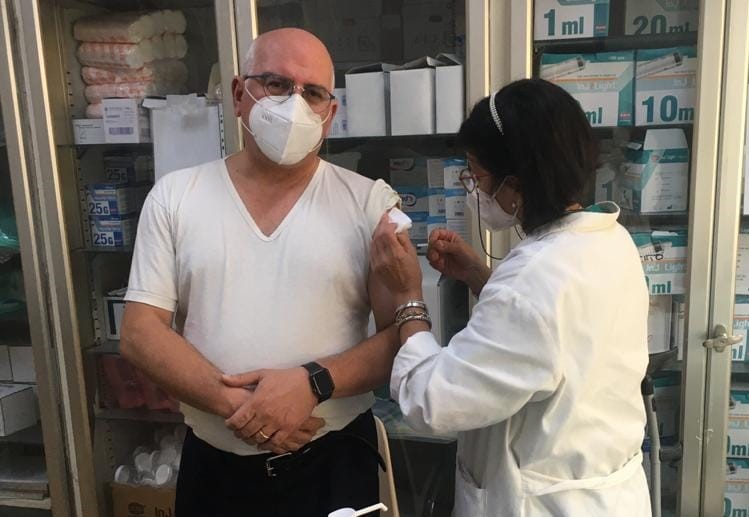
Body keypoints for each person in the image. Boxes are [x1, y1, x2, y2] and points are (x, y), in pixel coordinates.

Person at [120, 28, 402, 517]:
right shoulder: (176, 197)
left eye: (312, 93)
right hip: (216, 466)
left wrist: (313, 384)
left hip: (333, 463)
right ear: (238, 94)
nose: (294, 105)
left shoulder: (369, 204)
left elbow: (401, 335)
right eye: (276, 84)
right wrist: (242, 409)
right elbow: (141, 333)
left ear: (330, 113)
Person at [370, 78, 651, 517]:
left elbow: (431, 402)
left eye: (476, 174)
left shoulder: (533, 281)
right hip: (608, 493)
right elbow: (556, 335)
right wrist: (480, 277)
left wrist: (409, 294)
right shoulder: (608, 239)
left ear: (516, 185)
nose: (472, 188)